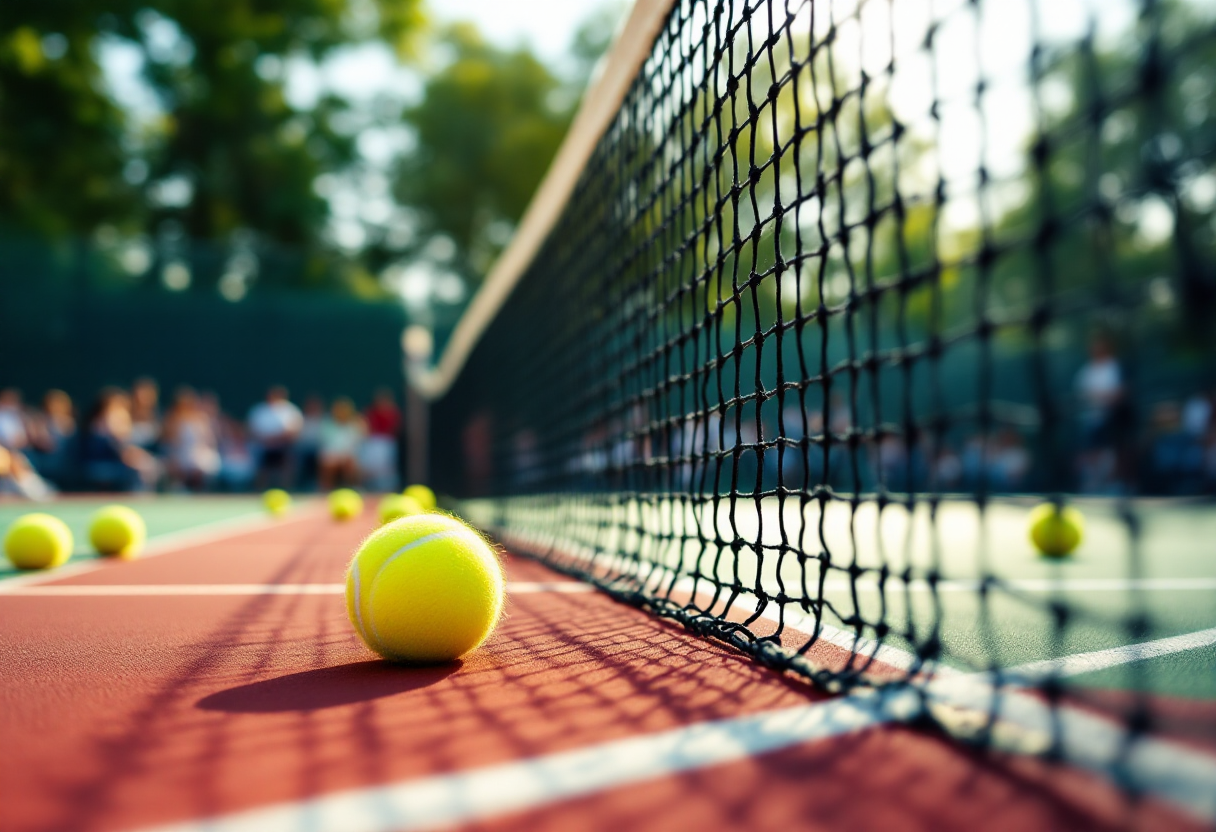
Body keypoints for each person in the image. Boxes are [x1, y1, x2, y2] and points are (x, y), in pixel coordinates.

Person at [80, 388, 159, 491]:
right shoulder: (98, 425)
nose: (120, 411)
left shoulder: (123, 421)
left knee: (148, 465)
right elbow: (117, 447)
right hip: (101, 462)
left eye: (122, 407)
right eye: (115, 406)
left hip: (119, 461)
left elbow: (124, 444)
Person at [163, 387, 221, 491]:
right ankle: (180, 487)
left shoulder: (201, 419)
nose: (186, 407)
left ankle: (200, 490)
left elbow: (208, 441)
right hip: (178, 454)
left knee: (204, 463)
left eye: (188, 404)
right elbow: (171, 443)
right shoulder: (172, 420)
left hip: (198, 454)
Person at [248, 386, 303, 489]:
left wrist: (277, 439)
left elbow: (295, 432)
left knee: (290, 458)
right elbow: (253, 432)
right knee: (257, 455)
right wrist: (269, 441)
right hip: (263, 446)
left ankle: (287, 488)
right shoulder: (259, 410)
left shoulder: (291, 411)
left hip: (285, 446)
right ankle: (259, 490)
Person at [26, 390, 77, 487]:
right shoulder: (39, 421)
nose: (55, 407)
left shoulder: (68, 423)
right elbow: (39, 441)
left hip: (62, 460)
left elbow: (51, 445)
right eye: (52, 404)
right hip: (41, 459)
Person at [318, 397, 364, 490]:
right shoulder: (327, 424)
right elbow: (327, 445)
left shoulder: (356, 424)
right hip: (332, 455)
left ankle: (354, 487)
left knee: (350, 462)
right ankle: (325, 489)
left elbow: (357, 445)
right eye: (339, 410)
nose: (341, 412)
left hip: (349, 455)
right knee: (328, 463)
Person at [361, 388, 401, 492]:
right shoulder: (371, 412)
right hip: (373, 441)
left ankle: (388, 489)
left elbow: (395, 428)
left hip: (388, 442)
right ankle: (368, 487)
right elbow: (367, 427)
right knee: (370, 467)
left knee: (387, 469)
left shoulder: (393, 412)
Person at [128, 377, 163, 454]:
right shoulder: (123, 420)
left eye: (147, 397)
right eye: (138, 399)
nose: (143, 401)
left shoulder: (161, 422)